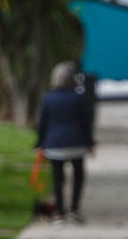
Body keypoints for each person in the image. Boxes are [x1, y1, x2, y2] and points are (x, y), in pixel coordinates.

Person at [35, 61, 95, 226]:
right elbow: (86, 123)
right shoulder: (79, 98)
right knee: (78, 176)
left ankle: (59, 213)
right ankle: (74, 210)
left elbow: (42, 124)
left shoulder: (48, 98)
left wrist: (40, 143)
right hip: (77, 144)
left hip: (54, 145)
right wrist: (90, 143)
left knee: (58, 179)